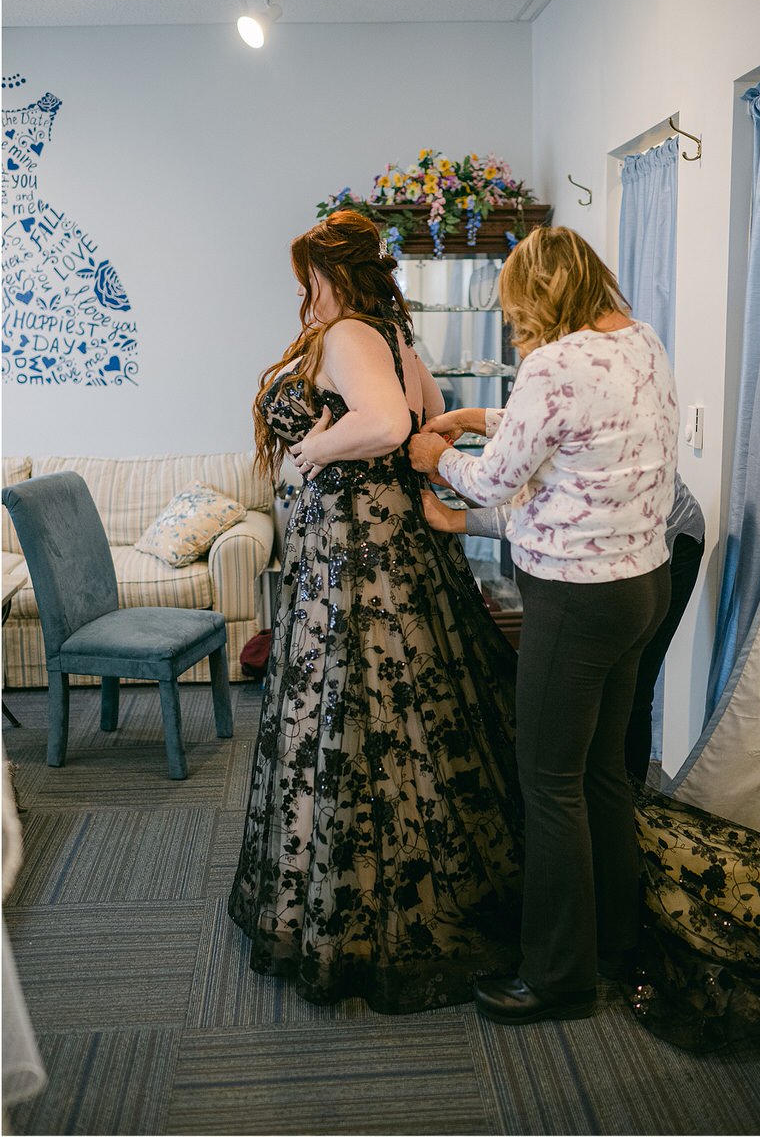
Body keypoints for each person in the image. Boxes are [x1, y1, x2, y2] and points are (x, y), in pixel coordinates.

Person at [228, 210, 526, 1014]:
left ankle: (367, 904)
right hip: (393, 549)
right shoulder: (392, 337)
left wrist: (314, 450)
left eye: (307, 280)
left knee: (360, 710)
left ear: (330, 276)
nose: (302, 294)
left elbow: (394, 426)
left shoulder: (350, 335)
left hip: (356, 561)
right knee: (408, 710)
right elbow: (428, 417)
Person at [409, 225, 679, 1025]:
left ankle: (557, 978)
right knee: (602, 773)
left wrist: (439, 460)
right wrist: (483, 414)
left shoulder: (551, 363)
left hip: (576, 600)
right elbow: (578, 437)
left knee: (550, 784)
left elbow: (496, 480)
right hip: (642, 586)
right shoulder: (639, 339)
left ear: (539, 296)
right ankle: (613, 938)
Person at [421, 471, 705, 782]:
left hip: (664, 545)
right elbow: (524, 491)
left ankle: (631, 799)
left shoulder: (593, 435)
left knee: (633, 687)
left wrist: (455, 519)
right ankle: (608, 796)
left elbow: (547, 516)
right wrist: (461, 482)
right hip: (604, 553)